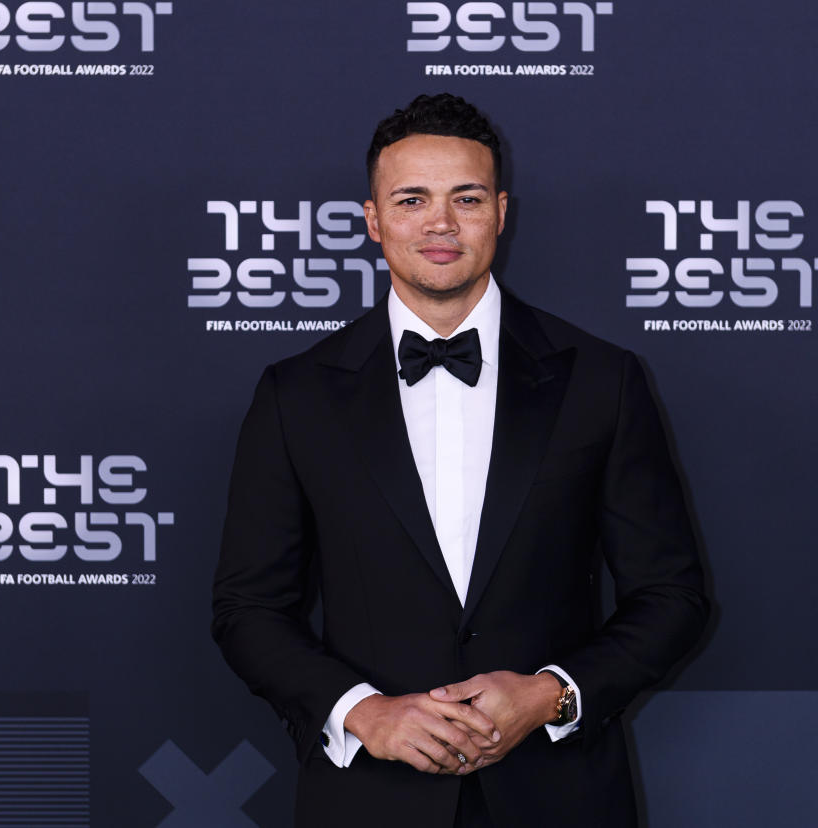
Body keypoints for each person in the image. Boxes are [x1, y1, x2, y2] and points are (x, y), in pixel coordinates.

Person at [212, 93, 709, 828]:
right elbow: (249, 609)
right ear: (374, 219)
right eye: (412, 199)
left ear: (501, 213)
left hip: (557, 795)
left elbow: (672, 596)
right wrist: (365, 713)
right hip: (370, 801)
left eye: (466, 198)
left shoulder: (603, 381)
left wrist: (550, 694)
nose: (440, 224)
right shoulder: (297, 394)